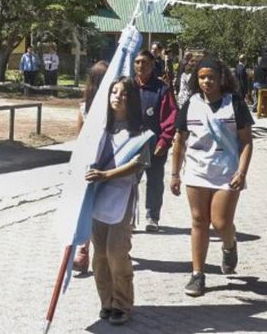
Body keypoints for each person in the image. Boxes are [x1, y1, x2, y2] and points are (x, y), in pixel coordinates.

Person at [170, 56, 254, 297]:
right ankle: (198, 274)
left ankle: (229, 246)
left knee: (220, 222)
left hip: (227, 171)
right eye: (202, 77)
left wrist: (242, 171)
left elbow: (247, 141)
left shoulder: (234, 103)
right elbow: (180, 142)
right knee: (198, 220)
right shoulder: (190, 104)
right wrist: (175, 174)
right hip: (196, 170)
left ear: (221, 79)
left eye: (211, 77)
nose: (207, 81)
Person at [85, 76, 152, 326]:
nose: (118, 97)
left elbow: (140, 163)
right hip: (97, 197)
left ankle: (123, 303)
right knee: (100, 253)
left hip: (122, 196)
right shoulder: (100, 127)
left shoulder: (139, 132)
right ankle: (107, 301)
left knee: (116, 251)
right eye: (114, 92)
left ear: (132, 99)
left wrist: (107, 175)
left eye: (124, 94)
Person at [133, 49, 178, 231]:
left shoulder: (162, 89)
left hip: (155, 146)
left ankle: (152, 217)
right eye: (137, 62)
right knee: (128, 182)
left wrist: (164, 141)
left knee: (155, 181)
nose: (141, 66)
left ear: (152, 65)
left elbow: (170, 117)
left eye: (144, 62)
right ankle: (128, 217)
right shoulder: (128, 87)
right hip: (131, 146)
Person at [73, 60, 110, 273]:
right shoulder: (84, 107)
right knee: (86, 208)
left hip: (111, 165)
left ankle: (110, 248)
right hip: (90, 164)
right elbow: (79, 138)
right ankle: (83, 249)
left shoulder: (117, 104)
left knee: (105, 209)